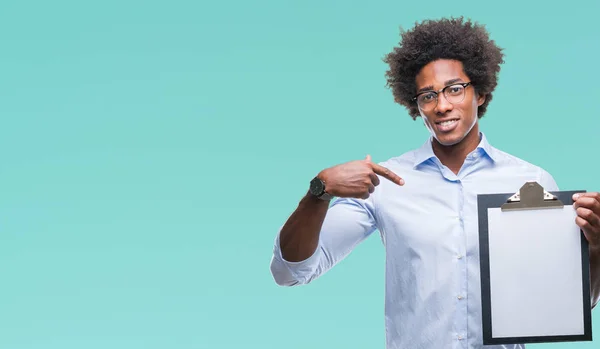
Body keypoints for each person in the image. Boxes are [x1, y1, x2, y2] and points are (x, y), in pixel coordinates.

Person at [269, 17, 600, 348]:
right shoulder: (384, 183)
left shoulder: (531, 181)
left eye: (455, 89)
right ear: (416, 106)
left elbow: (571, 305)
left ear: (481, 92)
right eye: (428, 96)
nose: (442, 106)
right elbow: (291, 273)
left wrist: (597, 246)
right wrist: (319, 192)